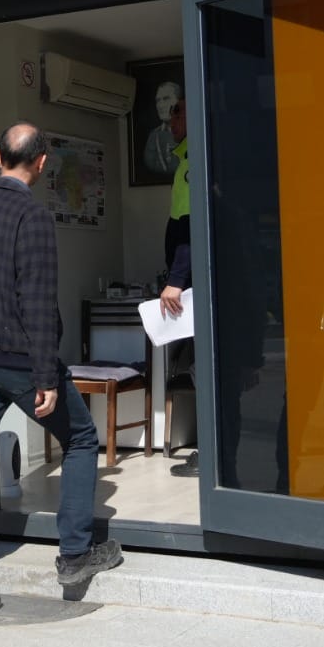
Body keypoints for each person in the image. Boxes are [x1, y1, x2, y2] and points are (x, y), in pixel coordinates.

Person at [0, 122, 122, 623]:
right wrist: (44, 376)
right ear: (40, 163)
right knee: (82, 438)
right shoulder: (32, 216)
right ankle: (75, 555)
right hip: (18, 362)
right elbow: (36, 300)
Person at [156, 99, 199, 477]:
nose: (172, 121)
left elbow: (189, 230)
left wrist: (176, 281)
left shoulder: (194, 161)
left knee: (204, 365)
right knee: (197, 364)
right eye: (171, 115)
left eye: (179, 114)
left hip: (195, 285)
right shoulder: (186, 159)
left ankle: (211, 450)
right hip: (192, 283)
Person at [143, 80, 185, 175]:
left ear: (179, 102)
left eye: (166, 98)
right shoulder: (153, 137)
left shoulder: (192, 133)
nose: (161, 105)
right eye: (158, 100)